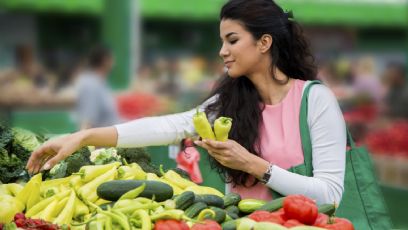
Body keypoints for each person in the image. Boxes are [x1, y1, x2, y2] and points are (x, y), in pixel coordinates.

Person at [26, 0, 346, 205]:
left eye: (232, 40)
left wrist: (252, 164)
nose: (222, 51)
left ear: (265, 42)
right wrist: (83, 136)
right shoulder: (232, 102)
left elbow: (330, 194)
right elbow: (168, 125)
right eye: (221, 41)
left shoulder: (315, 100)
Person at [75, 46, 120, 130]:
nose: (114, 62)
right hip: (102, 141)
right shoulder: (91, 85)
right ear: (105, 60)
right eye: (112, 59)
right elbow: (86, 121)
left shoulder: (100, 82)